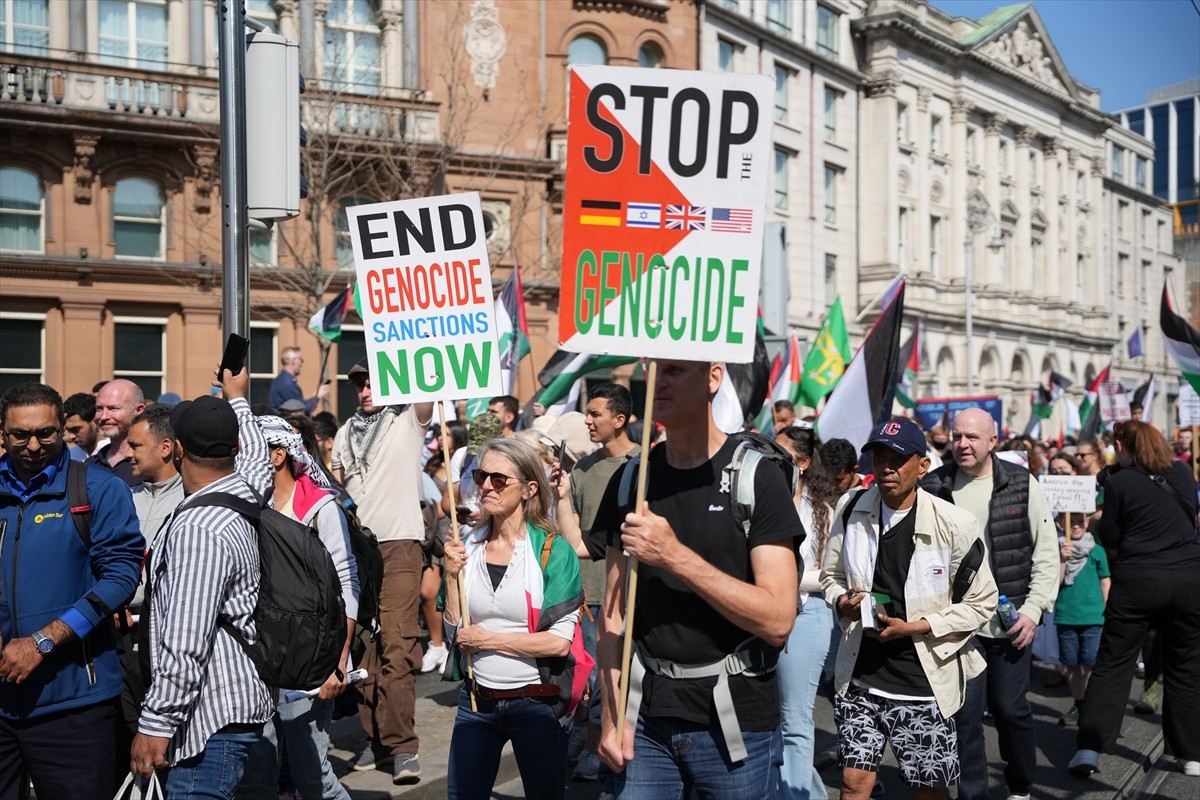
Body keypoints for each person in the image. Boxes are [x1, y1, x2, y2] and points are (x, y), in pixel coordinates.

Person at [593, 360, 800, 797]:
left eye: (674, 370)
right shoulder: (631, 479)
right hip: (642, 719)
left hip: (735, 722)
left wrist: (674, 557)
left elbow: (778, 620)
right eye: (653, 371)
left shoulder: (757, 477)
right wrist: (611, 717)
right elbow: (612, 615)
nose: (658, 382)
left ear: (714, 376)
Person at [821, 418, 997, 800]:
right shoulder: (851, 507)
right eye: (879, 458)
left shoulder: (955, 524)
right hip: (860, 677)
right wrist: (841, 601)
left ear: (922, 466)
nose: (886, 468)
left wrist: (915, 626)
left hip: (922, 683)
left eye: (898, 459)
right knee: (852, 783)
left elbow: (981, 603)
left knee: (928, 790)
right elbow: (830, 576)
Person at [131, 368, 277, 797]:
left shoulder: (199, 529)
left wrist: (155, 725)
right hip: (240, 712)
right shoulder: (247, 489)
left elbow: (186, 640)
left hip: (208, 726)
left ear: (176, 449)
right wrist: (238, 399)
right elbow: (255, 456)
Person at [0, 382, 144, 798]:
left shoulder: (98, 488)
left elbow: (120, 578)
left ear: (63, 426)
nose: (33, 446)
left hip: (74, 705)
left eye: (45, 433)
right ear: (3, 432)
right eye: (20, 435)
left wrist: (43, 642)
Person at [920, 407, 1058, 800]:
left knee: (1010, 709)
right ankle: (973, 794)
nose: (962, 444)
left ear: (993, 441)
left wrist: (1033, 610)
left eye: (972, 437)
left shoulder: (1022, 483)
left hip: (1009, 622)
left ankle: (1020, 785)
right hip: (958, 624)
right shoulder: (933, 486)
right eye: (957, 436)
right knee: (965, 715)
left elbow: (1046, 552)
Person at [441, 437, 585, 799]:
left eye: (499, 479)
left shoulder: (553, 551)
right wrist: (450, 576)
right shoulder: (468, 547)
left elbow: (558, 643)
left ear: (529, 489)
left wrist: (488, 640)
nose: (486, 486)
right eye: (481, 476)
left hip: (537, 703)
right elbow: (454, 634)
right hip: (476, 703)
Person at [236, 416, 359, 800]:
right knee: (261, 778)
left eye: (246, 450)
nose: (238, 459)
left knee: (313, 779)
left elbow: (347, 585)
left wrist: (339, 662)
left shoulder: (321, 508)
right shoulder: (246, 506)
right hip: (260, 661)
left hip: (311, 660)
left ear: (277, 455)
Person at [1069, 421, 1200, 778]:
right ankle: (1190, 754)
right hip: (1188, 578)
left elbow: (1111, 536)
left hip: (1138, 580)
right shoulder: (1183, 471)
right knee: (1185, 666)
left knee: (1114, 663)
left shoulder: (1120, 482)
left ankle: (1090, 748)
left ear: (1124, 446)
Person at [332, 359, 433, 783]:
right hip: (358, 550)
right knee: (364, 648)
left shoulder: (407, 418)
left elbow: (428, 390)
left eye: (373, 382)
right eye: (359, 384)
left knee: (397, 642)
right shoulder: (344, 433)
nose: (365, 390)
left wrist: (415, 349)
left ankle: (403, 746)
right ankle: (377, 739)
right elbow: (337, 487)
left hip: (400, 545)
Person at [555, 382, 640, 782]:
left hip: (627, 595)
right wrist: (560, 496)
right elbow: (575, 538)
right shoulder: (582, 469)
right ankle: (588, 739)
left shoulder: (644, 466)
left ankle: (599, 748)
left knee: (615, 680)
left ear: (619, 419)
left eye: (595, 414)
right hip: (587, 591)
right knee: (588, 677)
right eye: (587, 413)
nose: (587, 421)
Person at [120, 405, 186, 773]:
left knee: (166, 752)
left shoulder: (191, 502)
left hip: (165, 641)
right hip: (118, 639)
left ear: (165, 447)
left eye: (135, 445)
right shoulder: (122, 497)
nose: (127, 452)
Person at [774, 425, 839, 800]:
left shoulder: (823, 511)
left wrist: (783, 577)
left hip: (808, 615)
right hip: (766, 613)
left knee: (795, 717)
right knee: (770, 716)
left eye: (780, 453)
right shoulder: (763, 500)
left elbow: (831, 574)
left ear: (802, 462)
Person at [1054, 510, 1109, 727]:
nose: (1076, 526)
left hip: (1093, 618)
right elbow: (1055, 584)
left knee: (1092, 664)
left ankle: (1090, 704)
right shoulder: (1056, 550)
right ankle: (1079, 704)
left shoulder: (1097, 550)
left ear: (1087, 521)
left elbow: (1105, 582)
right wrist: (1062, 560)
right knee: (1072, 665)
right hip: (1066, 617)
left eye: (1080, 521)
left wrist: (1107, 612)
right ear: (1061, 522)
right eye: (1071, 522)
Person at [91, 379, 147, 487]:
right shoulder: (90, 466)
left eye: (113, 409)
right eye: (99, 409)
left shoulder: (152, 465)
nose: (104, 417)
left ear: (139, 410)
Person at [269, 346, 331, 414]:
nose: (302, 364)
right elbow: (301, 409)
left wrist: (315, 396)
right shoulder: (287, 383)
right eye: (301, 360)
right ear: (294, 361)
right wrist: (317, 396)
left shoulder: (282, 379)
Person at [63, 391, 102, 458]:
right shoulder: (69, 456)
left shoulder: (115, 453)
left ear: (95, 422)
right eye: (67, 430)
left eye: (76, 429)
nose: (71, 436)